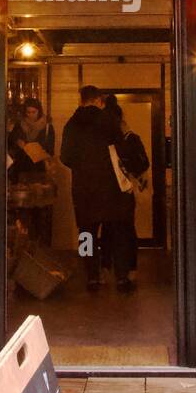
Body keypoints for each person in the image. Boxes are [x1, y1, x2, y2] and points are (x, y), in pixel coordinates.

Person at [59, 85, 130, 293]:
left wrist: (82, 166)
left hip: (83, 188)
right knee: (117, 232)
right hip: (110, 187)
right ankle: (121, 277)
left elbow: (65, 157)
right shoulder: (108, 121)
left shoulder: (71, 124)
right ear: (99, 100)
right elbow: (122, 150)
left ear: (81, 100)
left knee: (86, 233)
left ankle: (91, 275)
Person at [103, 93, 149, 292]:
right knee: (126, 230)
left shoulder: (101, 141)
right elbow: (143, 164)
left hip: (102, 191)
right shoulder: (130, 138)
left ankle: (99, 269)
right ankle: (128, 270)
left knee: (99, 231)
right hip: (125, 190)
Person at [7, 97, 55, 183]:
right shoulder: (19, 125)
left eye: (34, 112)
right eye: (28, 112)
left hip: (40, 168)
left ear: (39, 112)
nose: (31, 115)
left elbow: (50, 149)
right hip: (22, 167)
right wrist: (17, 143)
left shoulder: (47, 127)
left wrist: (40, 152)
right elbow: (10, 143)